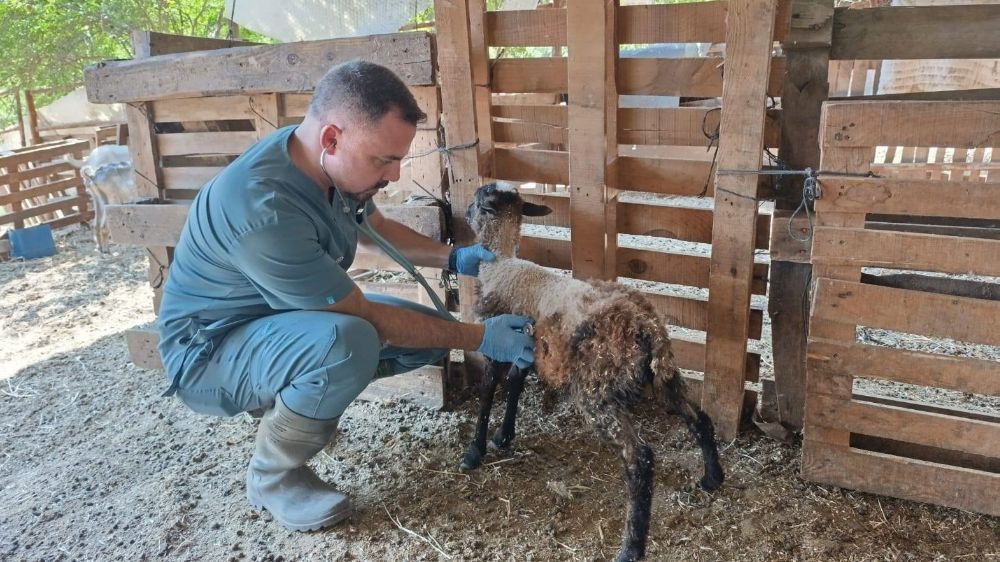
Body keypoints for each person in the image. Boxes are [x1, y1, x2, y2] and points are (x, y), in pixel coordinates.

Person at [156, 60, 535, 532]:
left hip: (277, 320)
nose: (394, 175)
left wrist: (454, 258)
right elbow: (361, 317)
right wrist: (479, 337)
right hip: (210, 354)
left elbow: (372, 227)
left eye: (398, 159)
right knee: (349, 341)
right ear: (331, 138)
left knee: (427, 334)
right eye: (384, 160)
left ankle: (301, 404)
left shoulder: (325, 166)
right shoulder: (263, 209)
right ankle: (272, 477)